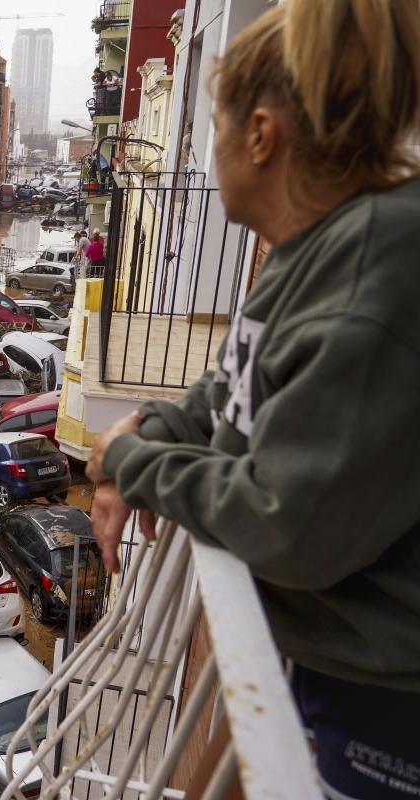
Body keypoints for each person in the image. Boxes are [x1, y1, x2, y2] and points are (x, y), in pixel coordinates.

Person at [85, 1, 420, 797]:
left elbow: (288, 525)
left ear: (262, 134)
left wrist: (130, 456)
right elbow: (228, 387)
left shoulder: (376, 266)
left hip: (380, 713)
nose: (210, 148)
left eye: (215, 126)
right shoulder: (321, 250)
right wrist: (155, 428)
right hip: (326, 667)